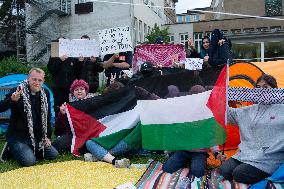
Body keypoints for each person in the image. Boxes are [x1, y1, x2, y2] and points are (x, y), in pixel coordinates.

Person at [219, 74, 284, 184]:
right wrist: (222, 98)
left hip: (269, 158)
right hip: (246, 154)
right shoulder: (250, 110)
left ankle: (269, 177)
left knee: (239, 174)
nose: (261, 90)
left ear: (274, 90)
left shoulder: (281, 108)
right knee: (224, 171)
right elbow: (229, 114)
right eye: (258, 87)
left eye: (266, 87)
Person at [162, 85, 225, 178]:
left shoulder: (207, 115)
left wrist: (216, 153)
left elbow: (211, 137)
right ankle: (181, 159)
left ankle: (196, 162)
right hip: (183, 150)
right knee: (167, 168)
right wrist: (169, 149)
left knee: (198, 172)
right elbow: (176, 133)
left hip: (199, 152)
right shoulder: (184, 112)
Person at [0, 68, 58, 166]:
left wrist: (47, 137)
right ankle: (11, 148)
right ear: (28, 79)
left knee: (53, 154)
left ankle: (30, 149)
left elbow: (47, 116)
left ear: (43, 81)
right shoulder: (17, 90)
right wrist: (11, 100)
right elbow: (1, 107)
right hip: (19, 137)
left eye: (39, 80)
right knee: (30, 161)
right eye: (34, 79)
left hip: (37, 136)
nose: (37, 83)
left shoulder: (45, 93)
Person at [52, 79, 93, 153]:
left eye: (82, 89)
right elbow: (59, 127)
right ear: (73, 92)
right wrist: (62, 114)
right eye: (76, 89)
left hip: (89, 134)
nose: (79, 91)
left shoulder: (93, 102)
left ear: (86, 91)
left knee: (92, 143)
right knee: (56, 145)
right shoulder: (68, 106)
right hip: (73, 134)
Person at [47, 37, 82, 117]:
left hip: (70, 88)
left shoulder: (72, 56)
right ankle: (58, 123)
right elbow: (51, 69)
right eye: (60, 42)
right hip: (58, 87)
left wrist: (80, 62)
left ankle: (70, 125)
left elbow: (78, 72)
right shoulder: (54, 55)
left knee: (71, 107)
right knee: (59, 107)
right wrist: (60, 60)